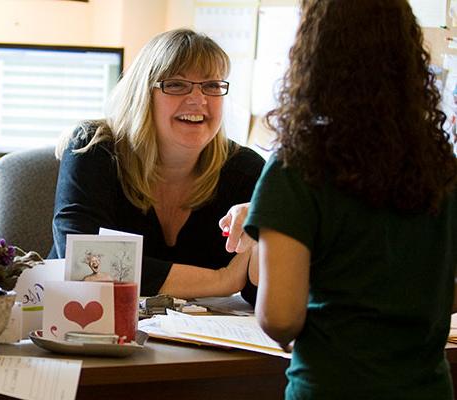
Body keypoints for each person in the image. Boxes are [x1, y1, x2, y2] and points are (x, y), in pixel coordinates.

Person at [244, 0, 457, 398]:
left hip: (332, 386)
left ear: (311, 54)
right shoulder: (441, 165)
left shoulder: (299, 164)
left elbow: (279, 315)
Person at [50, 29, 264, 303]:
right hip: (84, 326)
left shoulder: (244, 170)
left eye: (211, 85)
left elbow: (262, 295)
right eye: (176, 84)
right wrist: (222, 280)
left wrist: (265, 235)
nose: (198, 99)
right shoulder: (93, 147)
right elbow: (83, 261)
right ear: (143, 94)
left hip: (197, 338)